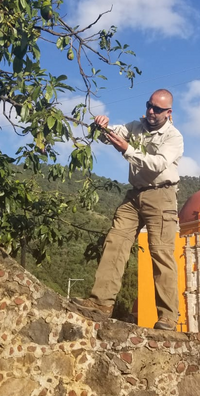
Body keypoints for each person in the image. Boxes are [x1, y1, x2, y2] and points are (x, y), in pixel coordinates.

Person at [75, 89, 184, 331]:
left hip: (162, 196)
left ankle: (167, 317)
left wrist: (127, 149)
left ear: (169, 113)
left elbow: (157, 164)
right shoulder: (136, 126)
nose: (151, 112)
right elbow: (112, 135)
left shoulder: (174, 137)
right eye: (149, 106)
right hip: (134, 195)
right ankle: (100, 303)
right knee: (115, 242)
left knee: (161, 253)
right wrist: (100, 126)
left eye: (157, 109)